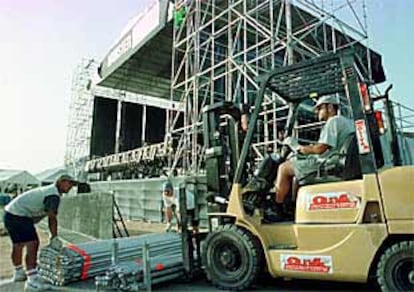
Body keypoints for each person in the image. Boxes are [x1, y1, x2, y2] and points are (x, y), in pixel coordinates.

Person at [265, 95, 355, 222]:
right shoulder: (348, 121)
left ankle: (276, 210)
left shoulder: (333, 121)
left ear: (329, 107)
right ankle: (294, 208)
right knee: (296, 170)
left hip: (330, 164)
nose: (317, 112)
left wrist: (297, 146)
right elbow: (324, 148)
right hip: (338, 160)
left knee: (284, 168)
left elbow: (320, 149)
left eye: (319, 108)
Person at [3, 174, 78, 291]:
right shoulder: (53, 195)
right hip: (19, 215)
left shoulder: (48, 191)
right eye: (70, 184)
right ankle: (32, 279)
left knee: (18, 244)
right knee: (33, 243)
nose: (71, 187)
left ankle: (18, 272)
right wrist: (54, 237)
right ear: (61, 182)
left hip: (10, 214)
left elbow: (38, 214)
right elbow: (52, 217)